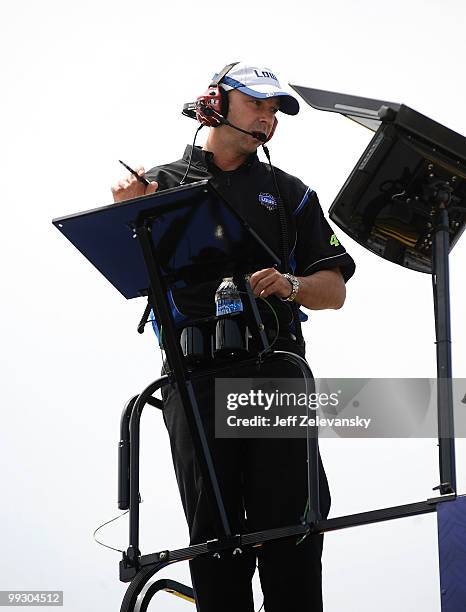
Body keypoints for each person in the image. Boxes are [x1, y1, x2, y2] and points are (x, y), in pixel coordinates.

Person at [112, 62, 355, 612]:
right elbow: (124, 268)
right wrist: (125, 209)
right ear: (215, 104)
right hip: (193, 377)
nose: (268, 118)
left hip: (274, 373)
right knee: (214, 539)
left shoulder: (290, 193)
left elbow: (333, 289)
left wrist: (290, 285)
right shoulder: (161, 185)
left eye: (275, 111)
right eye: (257, 105)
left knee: (289, 528)